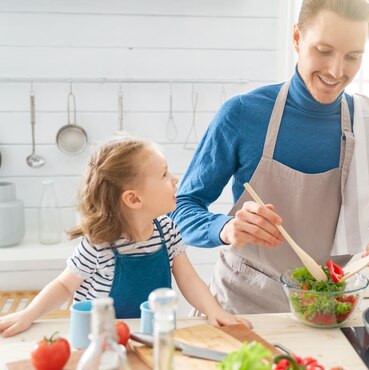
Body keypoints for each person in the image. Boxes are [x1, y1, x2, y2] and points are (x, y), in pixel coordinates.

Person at [171, 0, 369, 313]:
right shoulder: (242, 114)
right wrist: (225, 227)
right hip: (240, 308)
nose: (336, 71)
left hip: (328, 309)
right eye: (323, 51)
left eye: (353, 57)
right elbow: (182, 209)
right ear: (297, 37)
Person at [0, 138, 248, 338]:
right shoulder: (99, 244)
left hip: (148, 335)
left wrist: (214, 311)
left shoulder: (167, 230)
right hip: (100, 338)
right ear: (133, 199)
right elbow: (65, 286)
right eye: (163, 175)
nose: (175, 180)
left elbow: (188, 278)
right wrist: (29, 314)